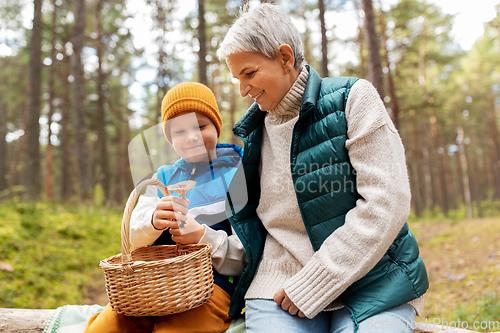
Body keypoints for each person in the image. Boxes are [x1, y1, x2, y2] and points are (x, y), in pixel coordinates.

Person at [216, 3, 429, 333]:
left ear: (285, 58)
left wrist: (314, 284)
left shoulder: (353, 99)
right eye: (237, 78)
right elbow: (255, 228)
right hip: (278, 287)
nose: (243, 89)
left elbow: (387, 202)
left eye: (249, 74)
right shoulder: (254, 133)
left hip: (372, 278)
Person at [84, 82, 247, 333]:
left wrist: (204, 237)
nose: (191, 136)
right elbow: (132, 236)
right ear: (170, 138)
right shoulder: (162, 178)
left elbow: (248, 255)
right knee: (105, 328)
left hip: (213, 289)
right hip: (154, 285)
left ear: (216, 125)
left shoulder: (238, 172)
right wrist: (153, 221)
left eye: (200, 126)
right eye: (179, 131)